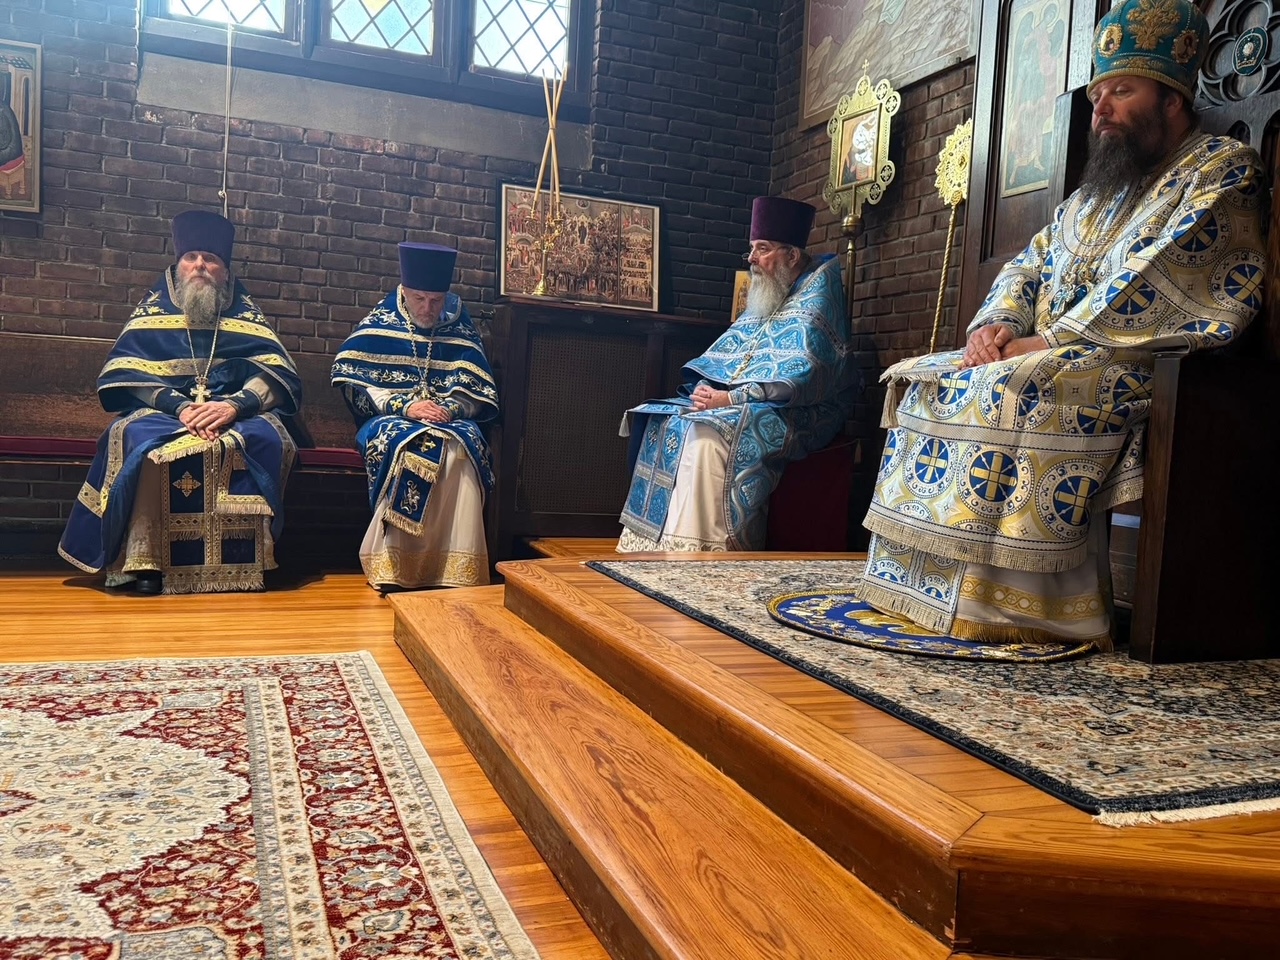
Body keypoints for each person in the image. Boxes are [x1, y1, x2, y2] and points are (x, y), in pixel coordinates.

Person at [858, 0, 1266, 649]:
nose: (1100, 109)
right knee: (927, 375)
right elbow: (1028, 265)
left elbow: (1165, 276)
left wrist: (1043, 342)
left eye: (1122, 92)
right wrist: (994, 328)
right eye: (1098, 94)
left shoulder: (1220, 170)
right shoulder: (1090, 197)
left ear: (1172, 99)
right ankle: (924, 589)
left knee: (1014, 385)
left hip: (1141, 365)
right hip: (1042, 351)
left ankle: (1027, 611)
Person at [59, 210, 302, 595]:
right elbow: (128, 373)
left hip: (229, 412)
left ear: (225, 272)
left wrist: (233, 406)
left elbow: (277, 374)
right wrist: (181, 408)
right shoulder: (153, 312)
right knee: (136, 438)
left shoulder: (245, 316)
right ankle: (144, 561)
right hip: (164, 412)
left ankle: (248, 560)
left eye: (211, 258)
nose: (200, 265)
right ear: (178, 265)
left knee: (270, 438)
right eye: (191, 257)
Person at [618, 196, 858, 552]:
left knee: (707, 433)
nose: (751, 258)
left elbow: (803, 378)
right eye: (752, 248)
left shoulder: (816, 301)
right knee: (668, 421)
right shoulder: (771, 293)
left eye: (763, 248)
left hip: (802, 412)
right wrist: (707, 388)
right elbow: (732, 355)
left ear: (792, 255)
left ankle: (706, 550)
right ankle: (661, 547)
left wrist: (731, 398)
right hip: (754, 402)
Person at [331, 242, 499, 591]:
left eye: (436, 301)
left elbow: (477, 394)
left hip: (447, 421)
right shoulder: (381, 323)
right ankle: (395, 566)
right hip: (390, 419)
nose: (428, 308)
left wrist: (451, 408)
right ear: (404, 291)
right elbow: (358, 387)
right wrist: (404, 407)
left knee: (462, 450)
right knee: (413, 445)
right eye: (419, 299)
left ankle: (455, 566)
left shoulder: (458, 327)